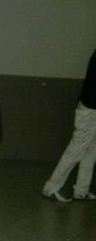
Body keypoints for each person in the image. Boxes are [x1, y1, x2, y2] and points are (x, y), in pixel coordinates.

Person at [42, 48, 96, 201]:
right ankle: (51, 187)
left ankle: (81, 190)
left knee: (92, 150)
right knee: (76, 149)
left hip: (91, 107)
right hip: (90, 109)